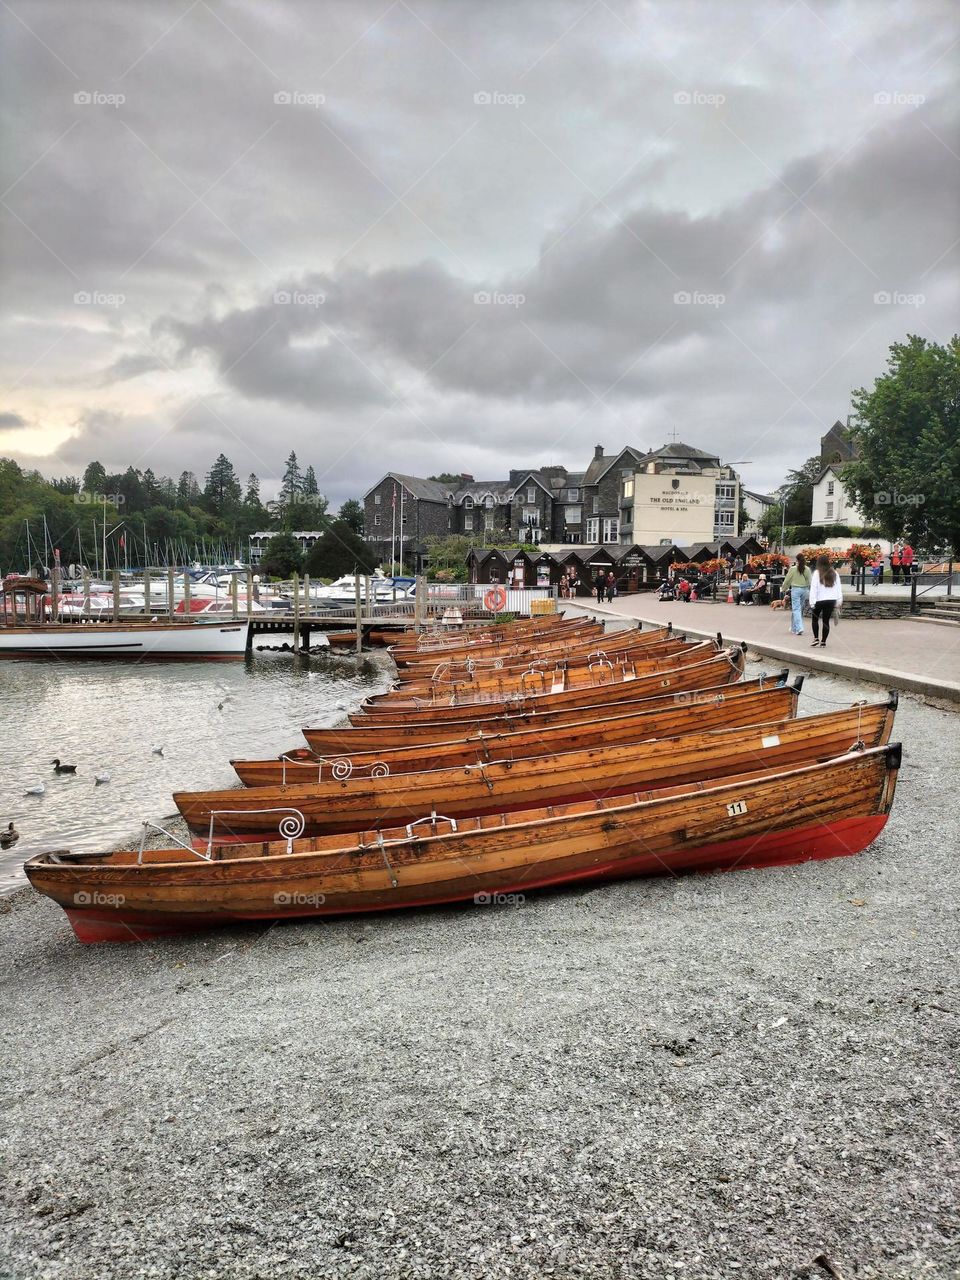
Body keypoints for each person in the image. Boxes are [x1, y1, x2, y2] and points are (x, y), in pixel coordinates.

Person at [810, 554, 843, 648]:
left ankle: (816, 638)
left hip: (819, 600)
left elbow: (814, 588)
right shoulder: (834, 573)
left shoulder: (817, 573)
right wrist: (839, 600)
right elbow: (838, 588)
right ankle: (823, 641)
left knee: (815, 619)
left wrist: (812, 601)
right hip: (831, 599)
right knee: (826, 621)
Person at [781, 553, 812, 635]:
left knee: (796, 609)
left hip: (796, 590)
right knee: (799, 609)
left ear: (797, 560)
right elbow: (810, 581)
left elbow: (787, 580)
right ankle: (794, 628)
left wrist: (783, 588)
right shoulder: (807, 569)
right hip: (805, 590)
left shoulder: (793, 569)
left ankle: (799, 628)